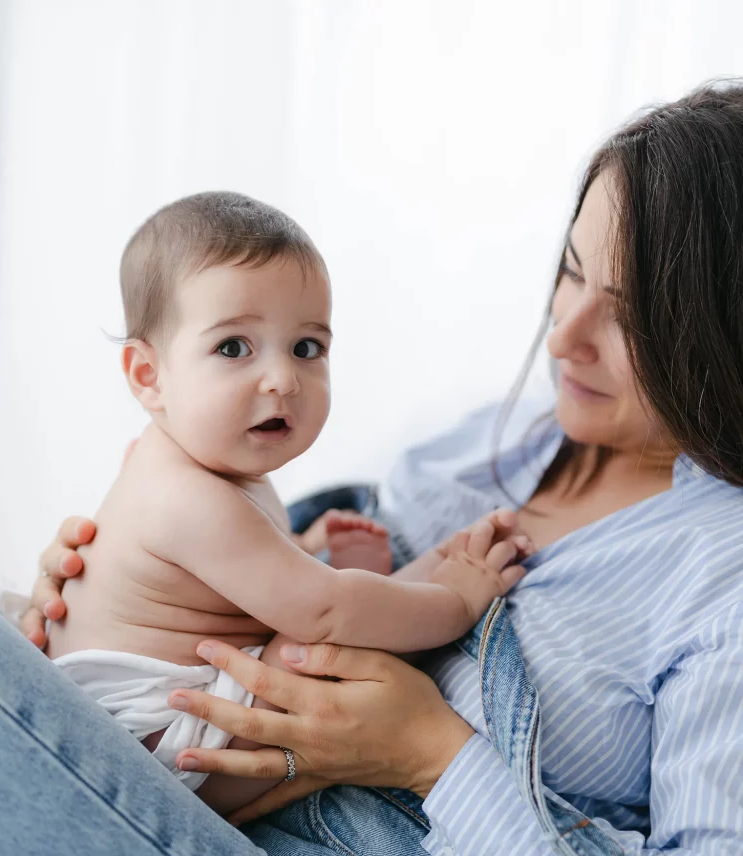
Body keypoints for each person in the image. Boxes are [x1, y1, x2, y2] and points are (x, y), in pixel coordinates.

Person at [0, 81, 743, 856]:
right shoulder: (486, 446)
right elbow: (275, 585)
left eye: (633, 316)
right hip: (187, 820)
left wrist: (430, 755)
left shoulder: (721, 576)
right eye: (571, 272)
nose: (564, 333)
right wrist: (90, 597)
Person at [44, 190, 529, 814]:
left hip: (192, 707)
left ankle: (436, 567)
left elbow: (221, 581)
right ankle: (446, 578)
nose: (283, 378)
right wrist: (457, 601)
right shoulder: (186, 496)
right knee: (320, 653)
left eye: (307, 347)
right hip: (168, 759)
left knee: (331, 619)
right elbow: (325, 613)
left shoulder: (205, 457)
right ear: (148, 375)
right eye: (233, 347)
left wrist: (299, 548)